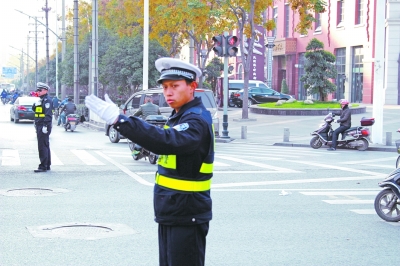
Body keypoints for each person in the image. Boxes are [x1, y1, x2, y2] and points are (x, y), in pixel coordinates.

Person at [85, 58, 214, 266]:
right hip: (174, 210)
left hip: (187, 212)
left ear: (192, 87)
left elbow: (165, 141)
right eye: (164, 87)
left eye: (174, 86)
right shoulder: (179, 117)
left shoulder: (195, 120)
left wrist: (121, 120)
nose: (168, 92)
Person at [32, 82, 53, 172]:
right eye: (38, 90)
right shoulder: (41, 100)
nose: (38, 92)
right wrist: (35, 104)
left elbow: (48, 114)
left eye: (40, 90)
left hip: (43, 125)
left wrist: (45, 125)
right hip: (39, 124)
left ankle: (43, 166)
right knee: (45, 145)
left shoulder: (47, 100)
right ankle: (47, 164)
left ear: (45, 90)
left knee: (42, 146)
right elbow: (36, 111)